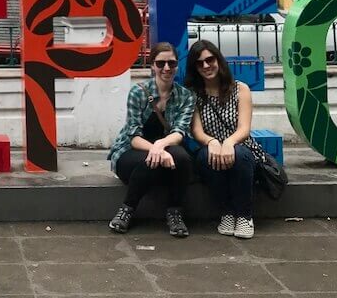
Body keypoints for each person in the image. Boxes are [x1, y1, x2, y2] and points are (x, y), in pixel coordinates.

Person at [107, 43, 195, 237]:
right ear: (152, 65)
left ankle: (175, 212)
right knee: (150, 162)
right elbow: (133, 136)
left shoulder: (186, 96)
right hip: (132, 153)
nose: (166, 68)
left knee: (184, 159)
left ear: (177, 65)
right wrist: (156, 151)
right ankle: (127, 209)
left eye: (171, 63)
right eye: (160, 63)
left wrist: (160, 145)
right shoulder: (138, 92)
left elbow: (180, 132)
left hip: (166, 150)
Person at [185, 39, 264, 240]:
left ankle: (245, 216)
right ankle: (227, 213)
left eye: (209, 60)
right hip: (210, 147)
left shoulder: (240, 89)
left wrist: (228, 143)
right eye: (199, 62)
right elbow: (197, 131)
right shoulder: (193, 95)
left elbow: (244, 129)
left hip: (240, 146)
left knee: (240, 155)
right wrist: (213, 143)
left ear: (218, 60)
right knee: (205, 157)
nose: (206, 66)